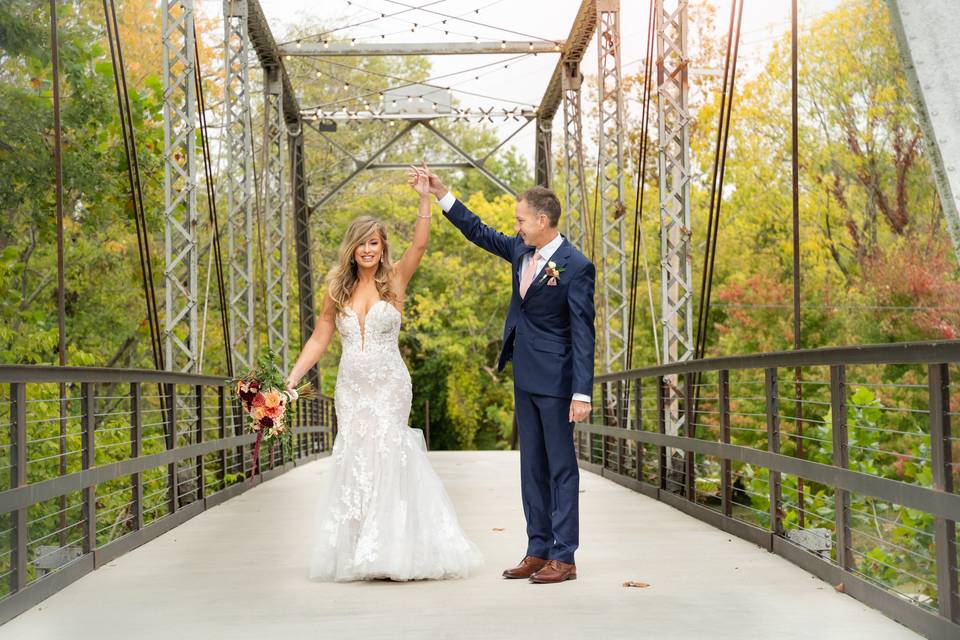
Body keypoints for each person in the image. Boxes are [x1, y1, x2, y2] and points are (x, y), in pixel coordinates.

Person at [286, 163, 482, 582]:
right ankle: (361, 549)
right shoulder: (336, 288)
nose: (368, 250)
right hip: (351, 387)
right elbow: (320, 338)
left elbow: (420, 246)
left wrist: (425, 196)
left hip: (390, 384)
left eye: (374, 243)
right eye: (362, 244)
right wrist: (292, 378)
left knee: (388, 455)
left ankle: (392, 549)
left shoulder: (395, 280)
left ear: (381, 246)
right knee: (357, 458)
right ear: (352, 249)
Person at [418, 164, 596, 584]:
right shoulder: (520, 250)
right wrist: (443, 194)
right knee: (531, 466)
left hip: (557, 382)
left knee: (560, 467)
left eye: (520, 219)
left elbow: (583, 333)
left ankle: (564, 556)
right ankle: (538, 549)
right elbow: (478, 231)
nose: (514, 226)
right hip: (524, 376)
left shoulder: (576, 266)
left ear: (541, 220)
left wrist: (582, 393)